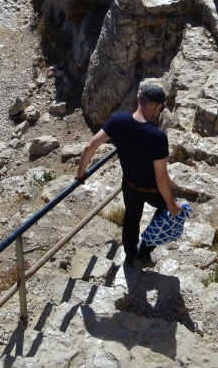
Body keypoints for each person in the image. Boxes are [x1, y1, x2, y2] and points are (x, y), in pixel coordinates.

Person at [76, 81, 181, 267]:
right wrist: (171, 204)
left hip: (130, 185)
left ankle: (130, 255)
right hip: (152, 190)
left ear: (139, 99)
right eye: (161, 107)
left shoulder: (119, 120)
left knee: (132, 217)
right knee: (167, 211)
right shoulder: (157, 137)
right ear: (157, 106)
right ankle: (145, 252)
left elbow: (89, 146)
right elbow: (161, 177)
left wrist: (81, 174)